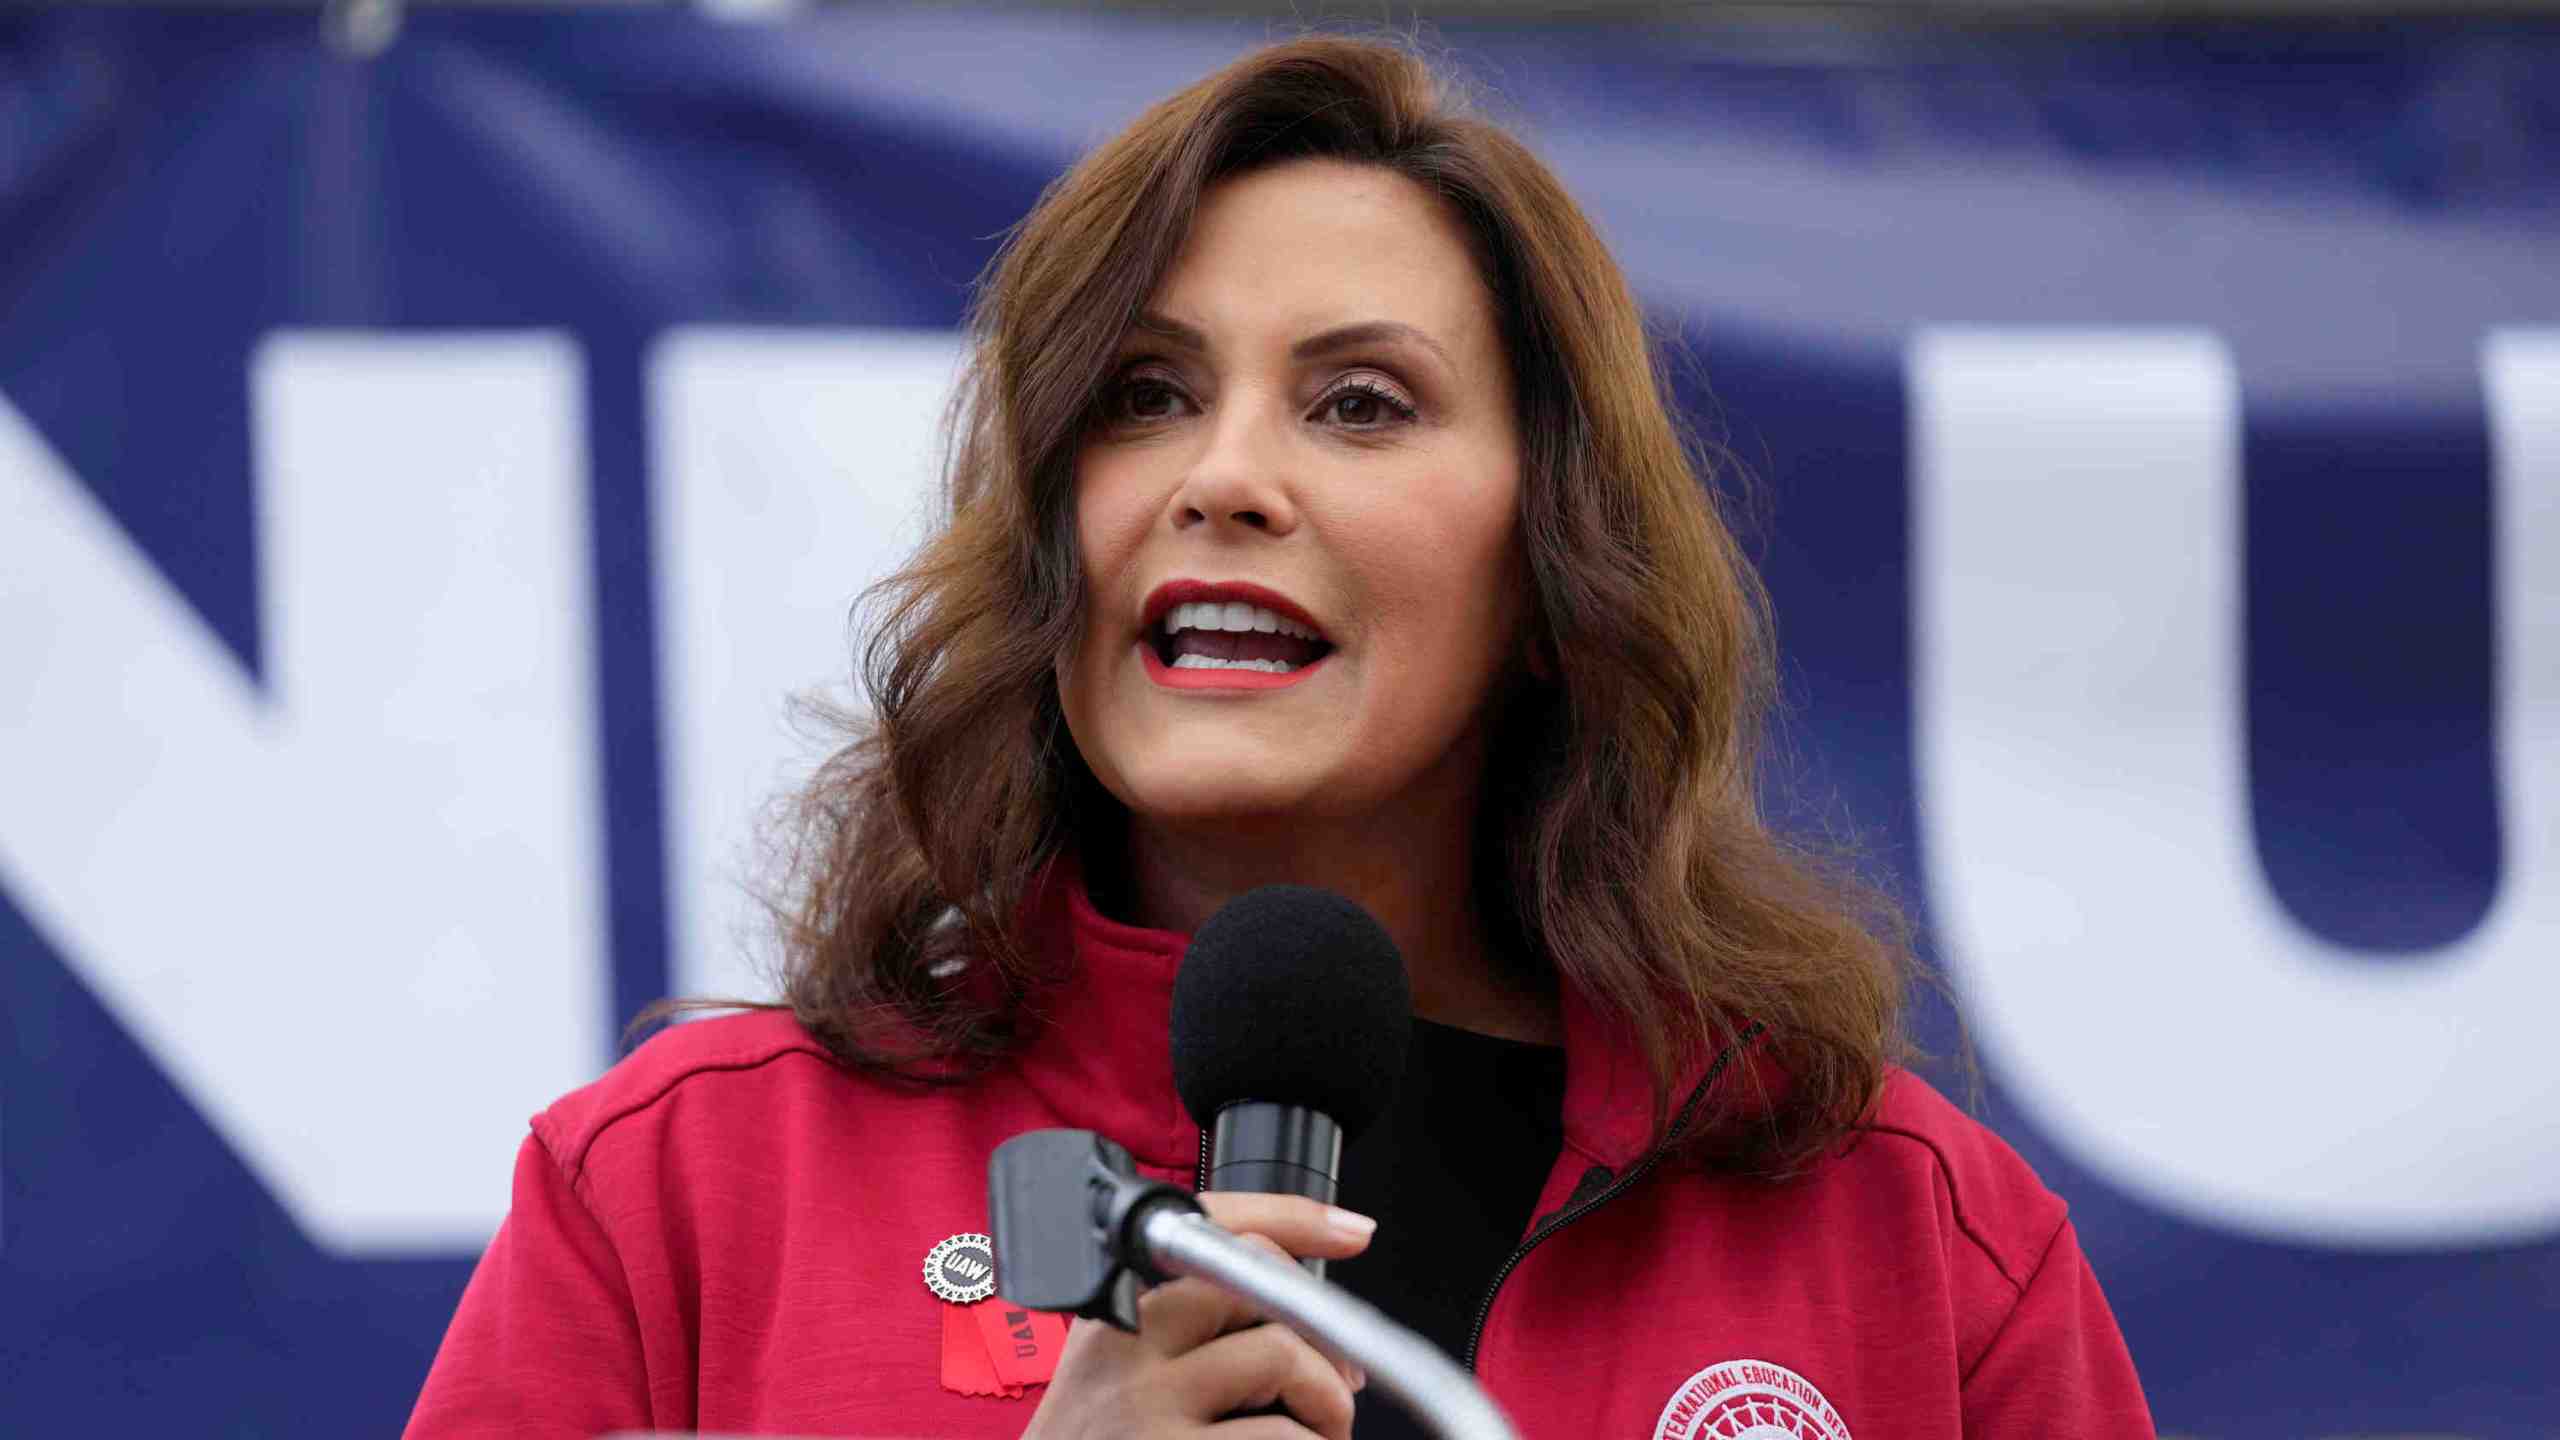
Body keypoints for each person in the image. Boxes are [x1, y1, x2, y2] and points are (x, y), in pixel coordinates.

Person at [406, 36, 2152, 1440]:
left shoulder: (1907, 1242)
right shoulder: (682, 1200)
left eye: (1359, 404)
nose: (1221, 478)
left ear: (1554, 568)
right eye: (1145, 394)